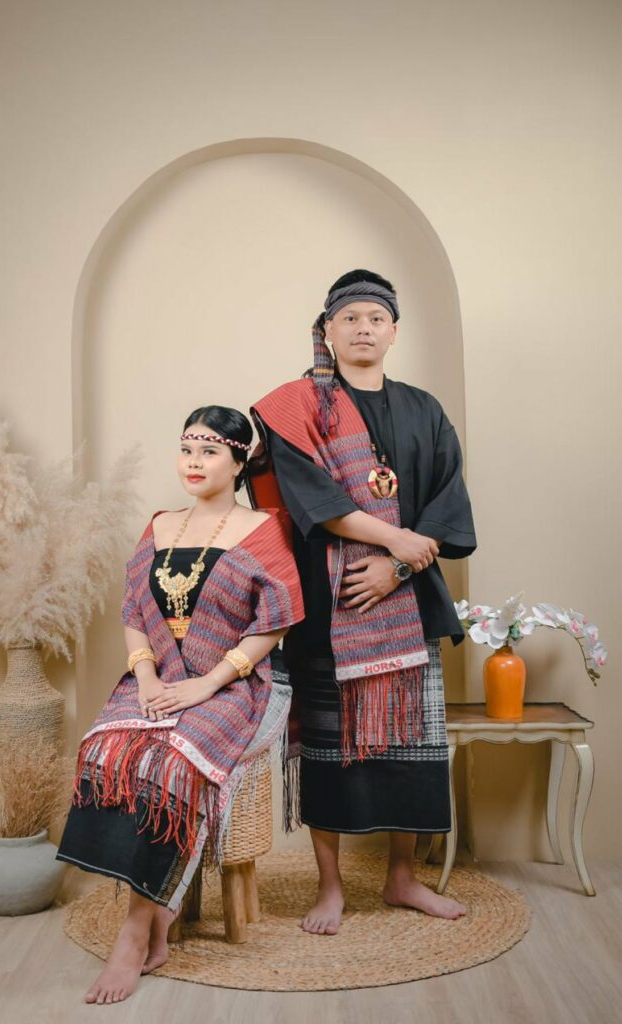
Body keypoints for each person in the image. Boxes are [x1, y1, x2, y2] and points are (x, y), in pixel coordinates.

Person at [250, 269, 476, 935]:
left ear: (394, 331)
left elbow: (448, 503)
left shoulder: (424, 410)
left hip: (406, 601)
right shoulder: (300, 408)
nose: (363, 329)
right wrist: (395, 539)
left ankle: (402, 878)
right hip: (328, 601)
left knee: (410, 745)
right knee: (329, 749)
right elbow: (308, 500)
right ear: (327, 330)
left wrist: (395, 567)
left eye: (375, 318)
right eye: (348, 318)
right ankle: (330, 887)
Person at [57, 405, 303, 1004]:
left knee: (166, 763)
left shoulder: (263, 529)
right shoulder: (160, 525)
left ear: (238, 462)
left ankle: (136, 930)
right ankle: (159, 908)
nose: (194, 462)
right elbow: (133, 610)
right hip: (159, 676)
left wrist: (206, 684)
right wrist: (145, 676)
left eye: (209, 450)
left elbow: (274, 624)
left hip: (236, 683)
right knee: (107, 752)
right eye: (187, 449)